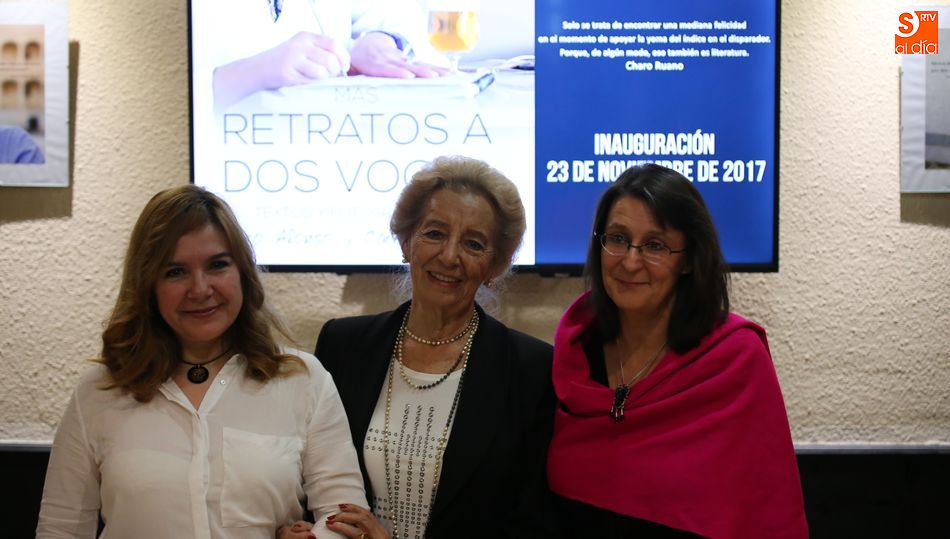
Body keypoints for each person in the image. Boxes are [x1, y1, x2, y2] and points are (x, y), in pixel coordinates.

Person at [36, 185, 366, 538]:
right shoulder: (99, 392)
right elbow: (61, 530)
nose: (200, 289)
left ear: (243, 272)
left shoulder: (303, 380)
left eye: (217, 265)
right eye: (175, 271)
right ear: (148, 285)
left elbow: (346, 517)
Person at [292, 156, 558, 539]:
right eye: (434, 233)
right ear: (405, 241)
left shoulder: (530, 368)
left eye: (473, 243)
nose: (450, 256)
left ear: (495, 264)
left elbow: (532, 525)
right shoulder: (343, 345)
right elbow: (311, 480)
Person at [547, 164, 808, 538]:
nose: (630, 261)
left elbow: (769, 511)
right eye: (617, 238)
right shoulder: (574, 350)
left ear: (688, 259)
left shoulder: (734, 358)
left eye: (655, 245)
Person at [205, 0, 448, 111]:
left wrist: (382, 40)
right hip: (225, 171)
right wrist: (256, 72)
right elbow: (176, 109)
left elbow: (402, 19)